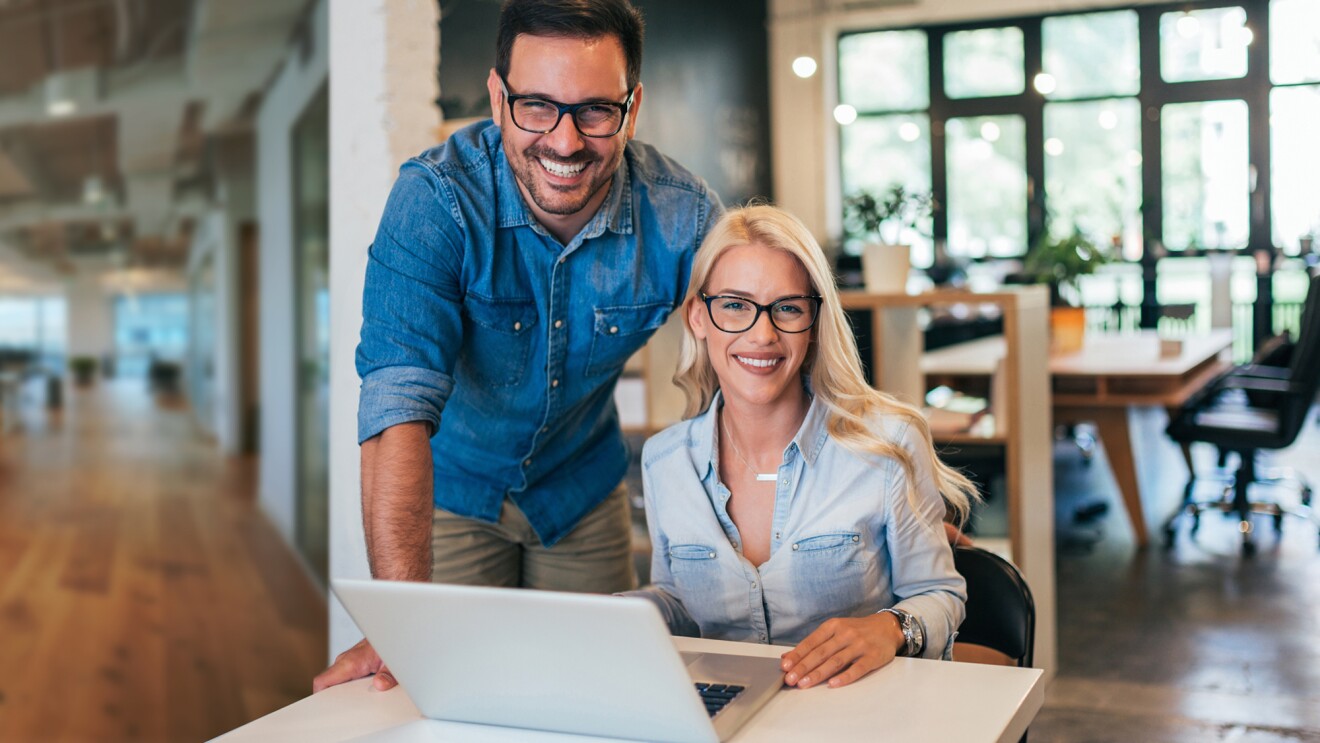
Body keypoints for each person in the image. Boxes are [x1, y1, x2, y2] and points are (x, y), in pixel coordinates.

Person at [313, 0, 721, 693]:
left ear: (633, 105)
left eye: (596, 110)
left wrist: (887, 491)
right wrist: (403, 623)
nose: (565, 142)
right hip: (449, 493)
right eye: (536, 105)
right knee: (444, 695)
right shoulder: (435, 202)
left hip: (582, 492)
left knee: (598, 700)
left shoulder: (680, 215)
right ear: (498, 98)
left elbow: (764, 356)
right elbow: (395, 410)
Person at [623, 204, 978, 689]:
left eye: (787, 308)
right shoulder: (665, 460)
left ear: (813, 323)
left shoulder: (887, 445)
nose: (762, 334)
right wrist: (618, 613)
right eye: (735, 305)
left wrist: (890, 628)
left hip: (858, 716)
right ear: (698, 318)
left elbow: (939, 593)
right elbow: (680, 604)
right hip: (726, 716)